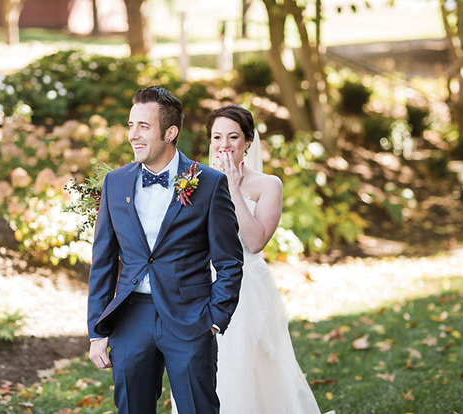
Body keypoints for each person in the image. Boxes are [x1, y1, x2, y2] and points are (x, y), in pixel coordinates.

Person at [87, 87, 244, 414]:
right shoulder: (115, 183)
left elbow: (229, 261)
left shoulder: (210, 184)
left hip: (190, 318)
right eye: (131, 125)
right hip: (130, 319)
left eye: (143, 126)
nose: (133, 135)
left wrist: (214, 319)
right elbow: (102, 262)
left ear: (170, 133)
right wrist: (96, 330)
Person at [174, 104, 323, 413]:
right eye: (217, 137)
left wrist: (231, 187)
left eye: (233, 137)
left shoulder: (269, 185)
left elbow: (255, 241)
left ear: (248, 142)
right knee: (198, 368)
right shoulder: (192, 181)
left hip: (246, 291)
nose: (224, 145)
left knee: (245, 370)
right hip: (201, 288)